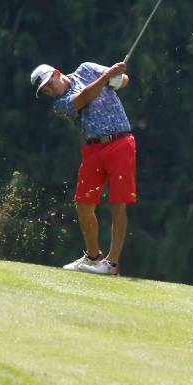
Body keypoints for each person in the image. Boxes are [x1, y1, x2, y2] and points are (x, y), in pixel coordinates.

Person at [31, 60, 135, 276]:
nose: (49, 91)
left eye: (48, 85)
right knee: (83, 205)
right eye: (45, 91)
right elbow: (85, 97)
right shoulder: (61, 104)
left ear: (57, 73)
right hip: (93, 149)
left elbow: (122, 80)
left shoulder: (86, 68)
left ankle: (112, 263)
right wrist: (107, 77)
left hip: (121, 142)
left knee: (118, 203)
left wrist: (117, 79)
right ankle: (93, 256)